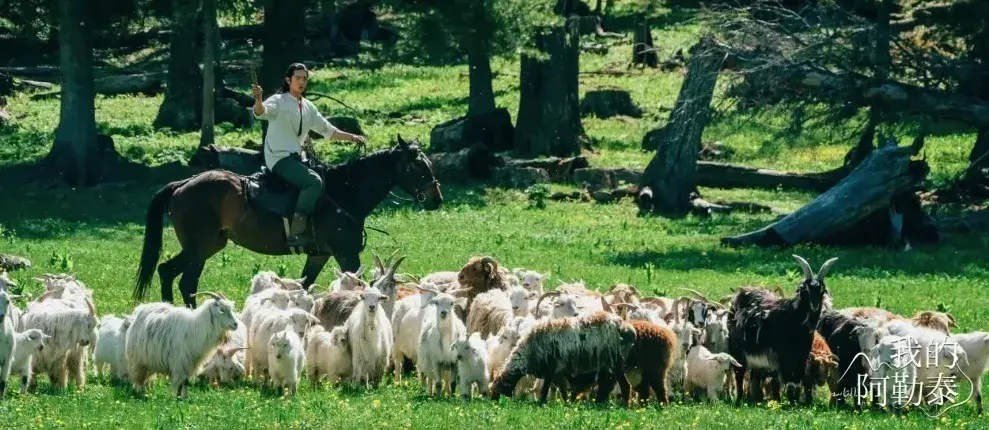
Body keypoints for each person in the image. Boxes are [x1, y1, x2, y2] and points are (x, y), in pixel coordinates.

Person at [252, 63, 366, 247]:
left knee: (325, 177)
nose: (301, 82)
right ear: (288, 80)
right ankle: (296, 232)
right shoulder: (278, 100)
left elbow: (328, 130)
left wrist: (352, 137)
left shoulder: (308, 106)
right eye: (297, 78)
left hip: (297, 158)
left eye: (304, 79)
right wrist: (258, 100)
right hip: (278, 158)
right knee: (313, 181)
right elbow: (261, 112)